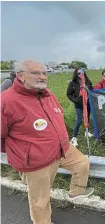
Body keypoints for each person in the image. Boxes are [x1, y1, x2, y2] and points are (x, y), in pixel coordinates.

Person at [1, 60, 94, 224]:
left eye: (44, 73)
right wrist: (22, 153)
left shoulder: (47, 93)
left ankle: (76, 192)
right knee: (40, 201)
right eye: (36, 73)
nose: (42, 76)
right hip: (37, 161)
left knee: (82, 163)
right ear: (21, 76)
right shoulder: (6, 101)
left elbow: (57, 116)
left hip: (62, 148)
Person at [67, 68, 93, 147]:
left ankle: (86, 131)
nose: (81, 74)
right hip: (79, 105)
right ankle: (74, 138)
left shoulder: (88, 82)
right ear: (76, 74)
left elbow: (92, 92)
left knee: (87, 118)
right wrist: (75, 100)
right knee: (79, 120)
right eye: (78, 73)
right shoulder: (72, 83)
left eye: (82, 73)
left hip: (88, 104)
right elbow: (69, 94)